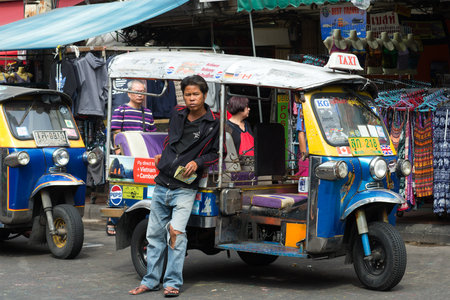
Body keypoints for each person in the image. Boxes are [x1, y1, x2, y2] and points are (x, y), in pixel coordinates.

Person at [128, 75, 220, 297]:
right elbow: (170, 139)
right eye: (187, 94)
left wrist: (197, 162)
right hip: (162, 182)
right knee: (154, 237)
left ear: (204, 95)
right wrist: (164, 155)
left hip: (185, 188)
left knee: (177, 234)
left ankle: (172, 283)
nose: (191, 98)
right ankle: (150, 281)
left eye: (195, 94)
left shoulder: (213, 122)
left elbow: (216, 154)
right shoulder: (177, 113)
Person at [107, 79, 157, 236]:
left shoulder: (147, 113)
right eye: (137, 92)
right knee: (118, 188)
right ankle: (112, 221)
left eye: (142, 92)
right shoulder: (120, 111)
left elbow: (152, 135)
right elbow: (115, 133)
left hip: (141, 157)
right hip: (124, 157)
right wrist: (117, 151)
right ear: (129, 93)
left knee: (140, 190)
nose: (140, 95)